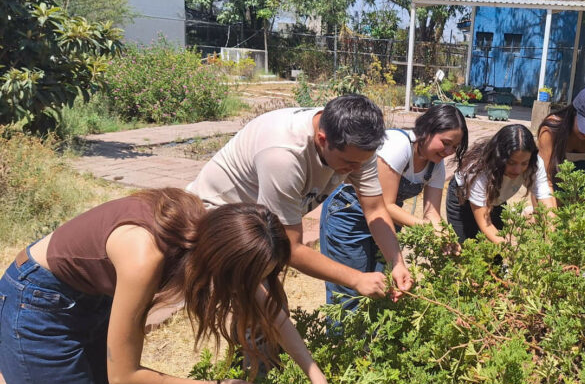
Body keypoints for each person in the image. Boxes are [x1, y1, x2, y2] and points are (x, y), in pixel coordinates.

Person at [0, 189, 343, 384]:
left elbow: (267, 306)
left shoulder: (214, 231)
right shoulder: (143, 257)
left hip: (88, 297)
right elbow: (123, 374)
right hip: (37, 306)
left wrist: (318, 381)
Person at [187, 94, 412, 300]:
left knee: (271, 316)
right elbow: (290, 248)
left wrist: (396, 261)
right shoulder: (283, 155)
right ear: (322, 139)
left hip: (259, 224)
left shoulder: (357, 147)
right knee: (264, 315)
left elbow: (374, 209)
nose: (356, 169)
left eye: (361, 163)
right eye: (349, 163)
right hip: (216, 219)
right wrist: (357, 279)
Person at [320, 104, 468, 317]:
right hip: (348, 215)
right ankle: (342, 346)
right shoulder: (399, 145)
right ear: (426, 130)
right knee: (349, 293)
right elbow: (386, 204)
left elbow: (432, 213)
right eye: (445, 143)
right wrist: (426, 229)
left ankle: (369, 347)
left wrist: (443, 235)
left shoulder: (436, 165)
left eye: (454, 147)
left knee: (382, 286)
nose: (448, 152)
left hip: (382, 221)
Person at [446, 124, 556, 244]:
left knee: (497, 255)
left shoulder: (534, 163)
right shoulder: (479, 170)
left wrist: (551, 241)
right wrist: (510, 252)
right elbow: (485, 223)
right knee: (465, 247)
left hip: (496, 196)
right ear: (499, 156)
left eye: (524, 163)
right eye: (511, 162)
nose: (518, 170)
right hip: (462, 199)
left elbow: (546, 203)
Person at [537, 86, 585, 204]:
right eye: (584, 124)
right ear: (574, 112)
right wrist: (551, 218)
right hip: (551, 193)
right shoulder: (551, 129)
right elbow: (544, 180)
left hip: (584, 197)